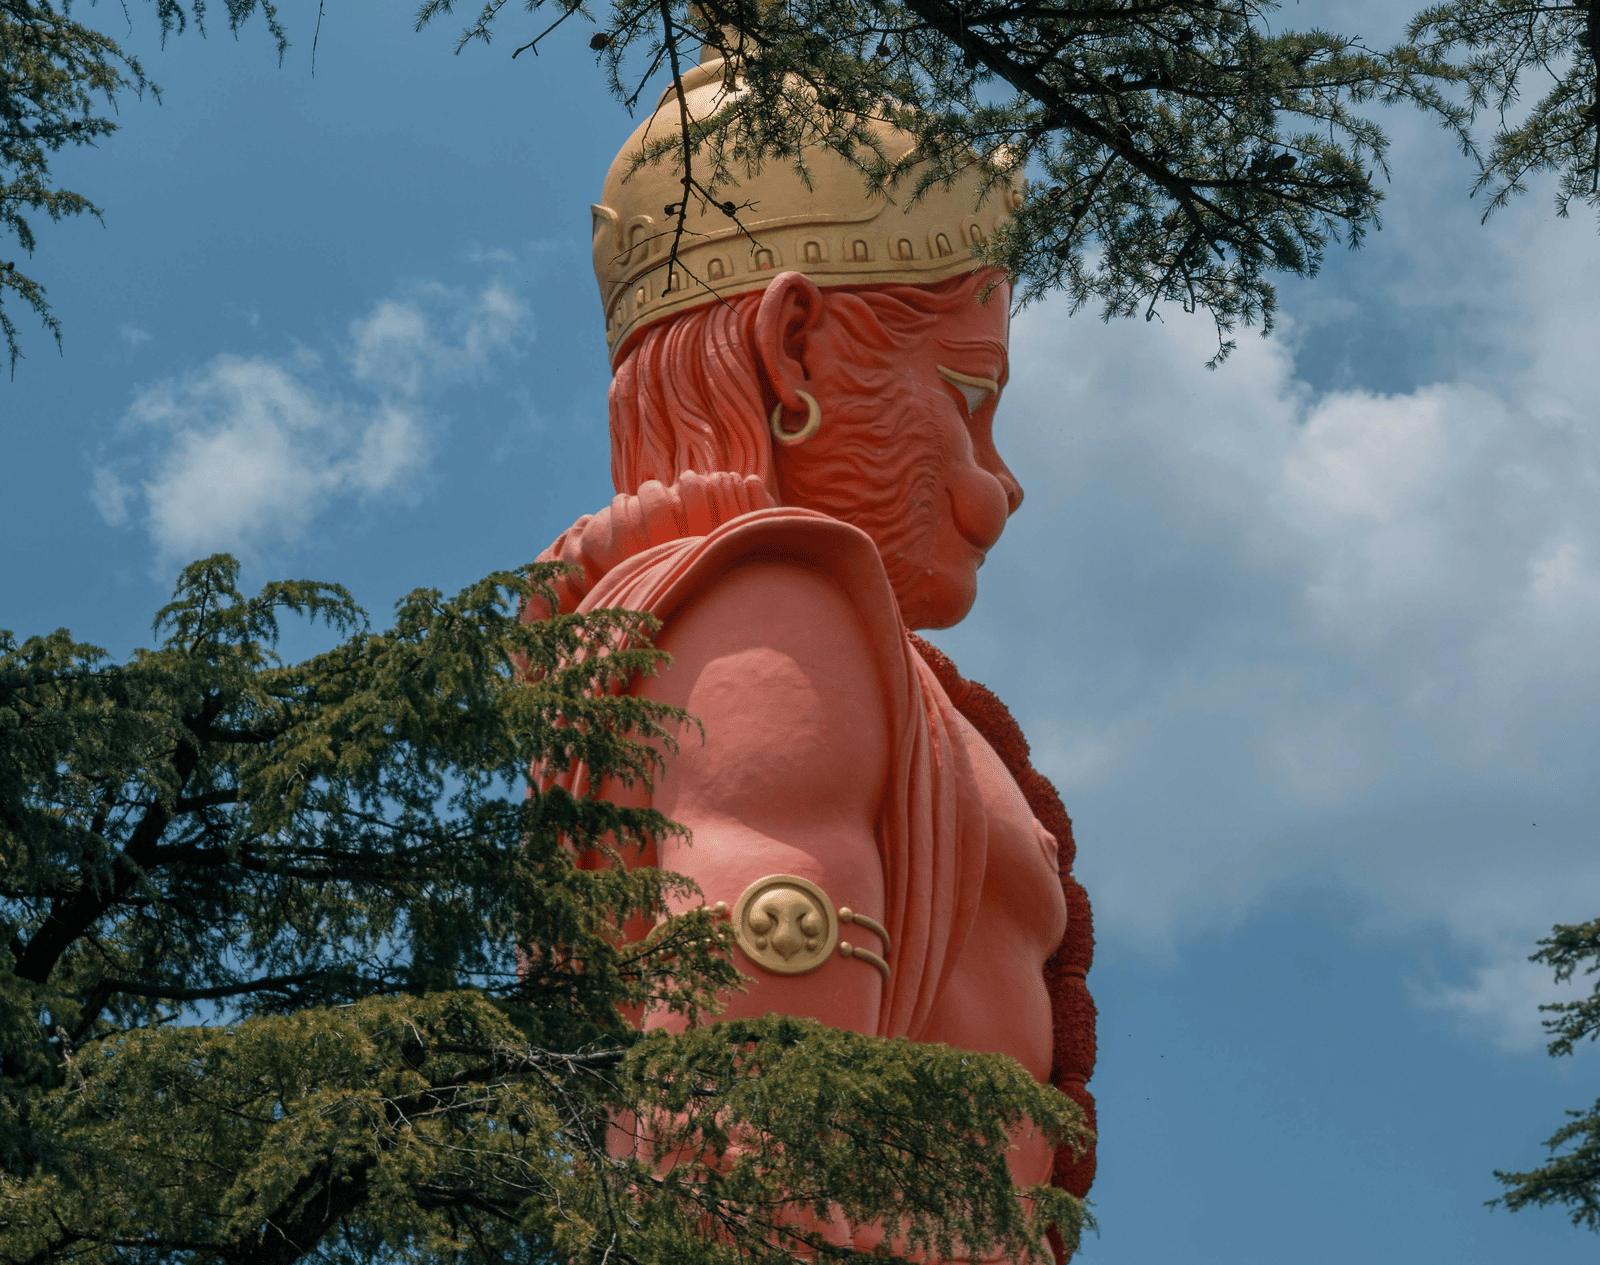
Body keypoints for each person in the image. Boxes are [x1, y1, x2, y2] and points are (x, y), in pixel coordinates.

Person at [529, 46, 1097, 1259]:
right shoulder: (771, 613)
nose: (999, 486)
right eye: (964, 392)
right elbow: (760, 1114)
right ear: (792, 355)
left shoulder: (710, 626)